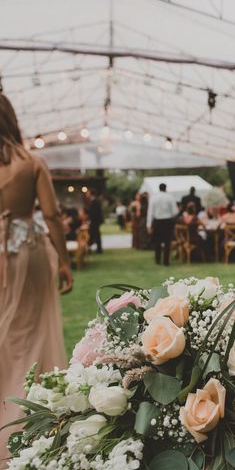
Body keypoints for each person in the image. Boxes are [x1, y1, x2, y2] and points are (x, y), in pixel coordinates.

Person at [0, 93, 72, 463]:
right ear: (13, 120)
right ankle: (29, 416)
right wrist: (64, 260)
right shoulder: (32, 163)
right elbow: (53, 215)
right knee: (32, 332)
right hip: (26, 255)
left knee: (5, 336)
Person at [147, 183, 178, 266]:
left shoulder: (154, 197)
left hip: (157, 221)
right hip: (167, 221)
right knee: (167, 242)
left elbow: (150, 212)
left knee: (157, 241)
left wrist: (149, 225)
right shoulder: (170, 197)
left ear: (159, 188)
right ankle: (166, 261)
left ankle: (157, 260)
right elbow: (175, 212)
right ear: (165, 188)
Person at [85, 188, 103, 254]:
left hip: (95, 221)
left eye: (87, 193)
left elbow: (95, 213)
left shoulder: (95, 201)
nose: (86, 195)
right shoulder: (93, 201)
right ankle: (93, 247)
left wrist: (90, 220)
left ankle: (98, 249)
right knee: (94, 234)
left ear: (90, 194)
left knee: (95, 234)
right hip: (94, 221)